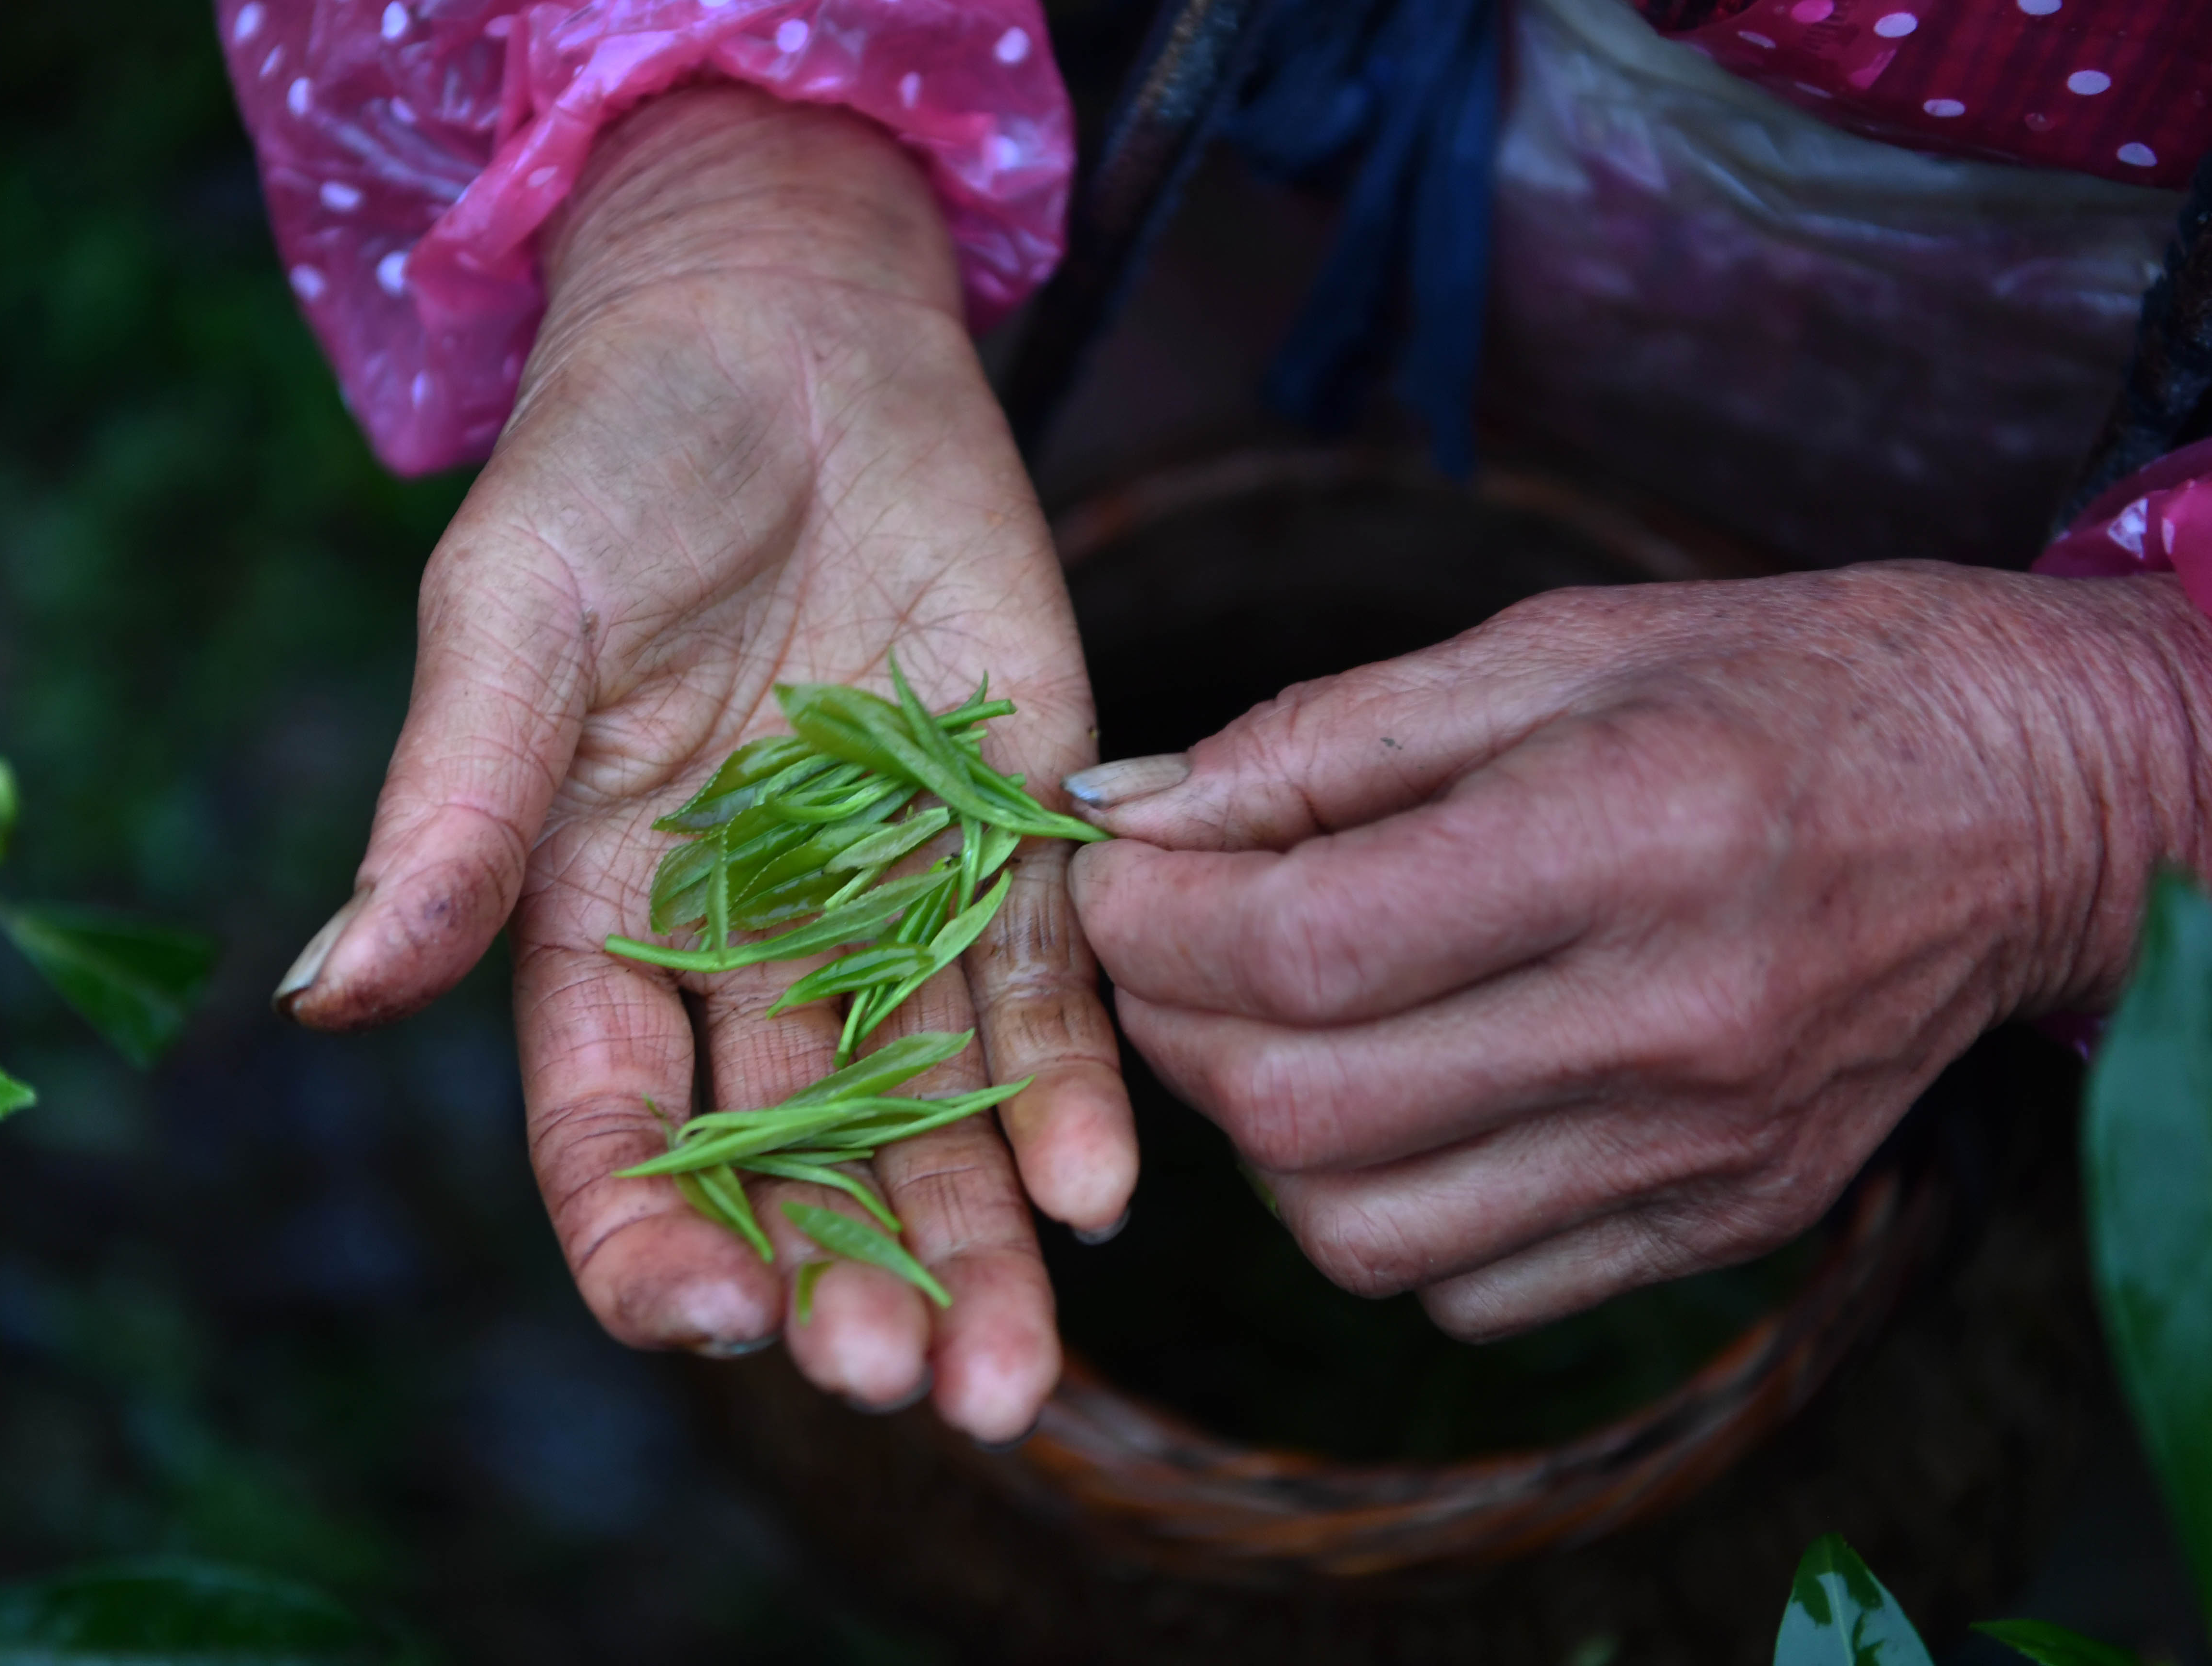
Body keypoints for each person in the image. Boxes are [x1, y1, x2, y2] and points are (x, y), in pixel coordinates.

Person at [229, 0, 2212, 1445]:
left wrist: (2108, 767)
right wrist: (734, 167)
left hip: (2090, 341)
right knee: (1120, 561)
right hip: (1267, 117)